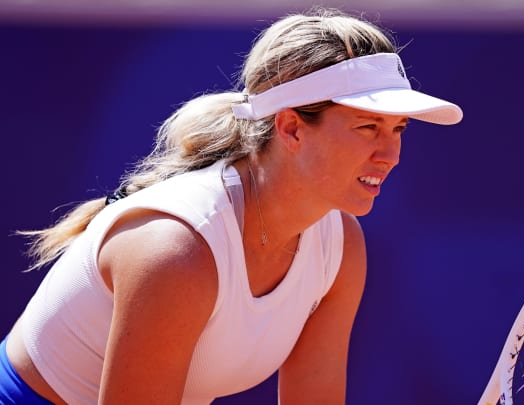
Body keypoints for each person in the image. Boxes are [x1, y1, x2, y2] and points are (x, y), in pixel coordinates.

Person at [1, 7, 462, 405]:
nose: (390, 154)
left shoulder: (341, 248)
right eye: (367, 127)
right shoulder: (176, 253)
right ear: (291, 129)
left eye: (398, 128)